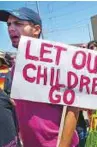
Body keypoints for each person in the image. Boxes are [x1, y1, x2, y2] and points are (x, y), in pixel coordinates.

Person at [0, 7, 79, 147]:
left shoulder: (55, 61)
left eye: (18, 23)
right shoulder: (15, 67)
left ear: (36, 29)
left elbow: (73, 108)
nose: (11, 28)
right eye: (8, 24)